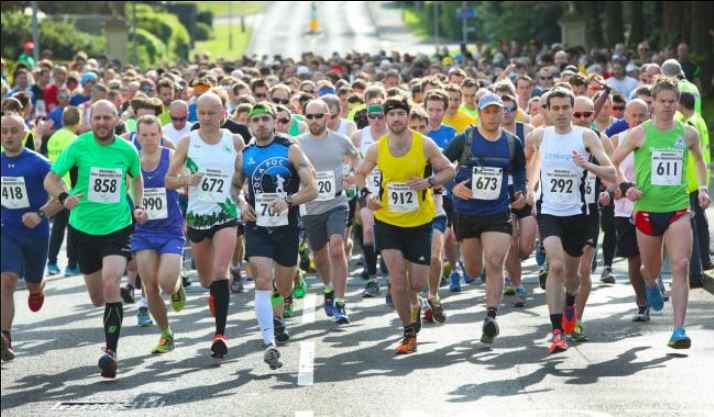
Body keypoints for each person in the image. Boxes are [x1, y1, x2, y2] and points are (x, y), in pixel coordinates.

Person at [43, 100, 145, 378]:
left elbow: (136, 179)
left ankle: (110, 352)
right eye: (96, 118)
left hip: (117, 226)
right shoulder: (78, 145)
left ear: (115, 120)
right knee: (97, 298)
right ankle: (109, 336)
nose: (101, 122)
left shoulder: (127, 150)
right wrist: (64, 197)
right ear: (90, 120)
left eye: (106, 118)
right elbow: (51, 179)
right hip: (83, 228)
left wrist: (138, 205)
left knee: (112, 282)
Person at [611, 77, 709, 349]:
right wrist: (625, 186)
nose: (667, 106)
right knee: (651, 268)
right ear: (652, 102)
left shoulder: (687, 133)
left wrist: (702, 187)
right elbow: (614, 162)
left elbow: (700, 160)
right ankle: (650, 281)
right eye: (662, 101)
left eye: (672, 101)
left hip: (677, 209)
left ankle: (678, 329)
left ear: (678, 102)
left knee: (680, 265)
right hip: (646, 210)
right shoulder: (640, 133)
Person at [356, 95, 455, 354]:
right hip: (387, 220)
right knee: (398, 280)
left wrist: (429, 183)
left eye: (401, 114)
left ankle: (418, 302)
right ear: (386, 119)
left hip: (420, 221)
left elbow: (449, 170)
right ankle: (409, 334)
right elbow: (360, 173)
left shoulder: (424, 144)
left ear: (408, 117)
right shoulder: (378, 147)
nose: (397, 119)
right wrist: (367, 196)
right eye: (392, 114)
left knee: (416, 283)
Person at [524, 88, 616, 354]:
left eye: (567, 108)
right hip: (550, 211)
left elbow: (611, 171)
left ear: (572, 110)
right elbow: (531, 163)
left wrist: (587, 165)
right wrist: (530, 187)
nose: (562, 113)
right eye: (557, 108)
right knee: (554, 265)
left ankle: (570, 304)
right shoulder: (539, 136)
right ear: (548, 111)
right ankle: (556, 332)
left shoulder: (585, 136)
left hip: (579, 213)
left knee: (573, 276)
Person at [231, 102, 318, 369]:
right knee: (263, 280)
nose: (260, 124)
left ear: (274, 122)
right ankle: (269, 343)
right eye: (255, 120)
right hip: (257, 227)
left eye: (265, 119)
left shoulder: (289, 148)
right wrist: (243, 205)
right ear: (249, 125)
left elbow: (312, 189)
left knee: (284, 285)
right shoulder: (244, 155)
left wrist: (289, 200)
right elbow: (235, 188)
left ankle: (280, 309)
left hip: (287, 227)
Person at [165, 93, 244, 358]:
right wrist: (187, 179)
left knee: (221, 271)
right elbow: (169, 179)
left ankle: (220, 334)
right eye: (202, 113)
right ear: (195, 115)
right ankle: (212, 295)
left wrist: (243, 198)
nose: (207, 118)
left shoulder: (234, 141)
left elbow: (243, 176)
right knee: (206, 278)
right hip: (198, 217)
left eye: (212, 113)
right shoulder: (189, 142)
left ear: (223, 114)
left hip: (227, 214)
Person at [443, 93, 526, 344]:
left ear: (503, 114)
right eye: (487, 111)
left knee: (494, 261)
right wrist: (452, 187)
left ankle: (491, 316)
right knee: (474, 268)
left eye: (496, 111)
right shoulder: (465, 139)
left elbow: (520, 168)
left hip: (497, 211)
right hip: (467, 212)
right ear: (479, 113)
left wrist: (521, 189)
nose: (492, 116)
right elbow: (442, 166)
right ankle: (477, 278)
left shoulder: (512, 143)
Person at [1, 114, 63, 361]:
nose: (8, 136)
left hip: (35, 233)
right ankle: (4, 336)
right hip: (6, 230)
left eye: (14, 130)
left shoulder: (38, 163)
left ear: (24, 132)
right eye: (4, 131)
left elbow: (62, 197)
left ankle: (37, 289)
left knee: (32, 284)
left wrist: (40, 214)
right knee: (6, 279)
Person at [297, 99, 360, 324]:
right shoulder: (297, 143)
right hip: (311, 206)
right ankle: (328, 288)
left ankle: (341, 302)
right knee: (320, 256)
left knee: (336, 248)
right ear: (305, 118)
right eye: (310, 116)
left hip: (336, 202)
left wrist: (353, 173)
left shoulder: (341, 140)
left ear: (328, 116)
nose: (314, 120)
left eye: (318, 116)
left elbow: (356, 159)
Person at [131, 115, 187, 354]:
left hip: (170, 229)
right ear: (137, 136)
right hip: (143, 231)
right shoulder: (131, 159)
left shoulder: (170, 155)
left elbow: (182, 182)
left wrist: (185, 180)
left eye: (153, 134)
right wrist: (136, 208)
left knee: (166, 282)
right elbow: (128, 189)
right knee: (149, 285)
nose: (149, 139)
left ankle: (176, 288)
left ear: (160, 134)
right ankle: (166, 333)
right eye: (144, 135)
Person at [45, 106, 81, 276]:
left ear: (62, 120)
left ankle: (52, 262)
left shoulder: (53, 137)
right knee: (72, 228)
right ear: (78, 122)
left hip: (54, 188)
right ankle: (72, 265)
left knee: (58, 227)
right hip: (70, 189)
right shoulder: (75, 139)